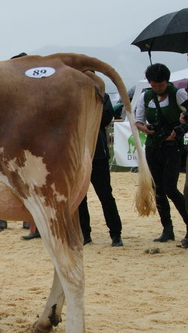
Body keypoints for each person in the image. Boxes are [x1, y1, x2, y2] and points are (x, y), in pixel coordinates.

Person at [135, 63, 188, 245]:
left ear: (167, 81)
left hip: (172, 147)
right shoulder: (146, 96)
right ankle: (167, 228)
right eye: (154, 85)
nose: (157, 88)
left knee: (171, 188)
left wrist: (179, 128)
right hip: (153, 146)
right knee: (158, 190)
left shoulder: (178, 93)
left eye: (161, 85)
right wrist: (145, 129)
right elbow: (138, 121)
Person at [78, 93, 123, 247]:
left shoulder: (101, 95)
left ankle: (116, 234)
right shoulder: (72, 92)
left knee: (105, 195)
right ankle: (84, 233)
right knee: (79, 198)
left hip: (97, 154)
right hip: (78, 154)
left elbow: (106, 117)